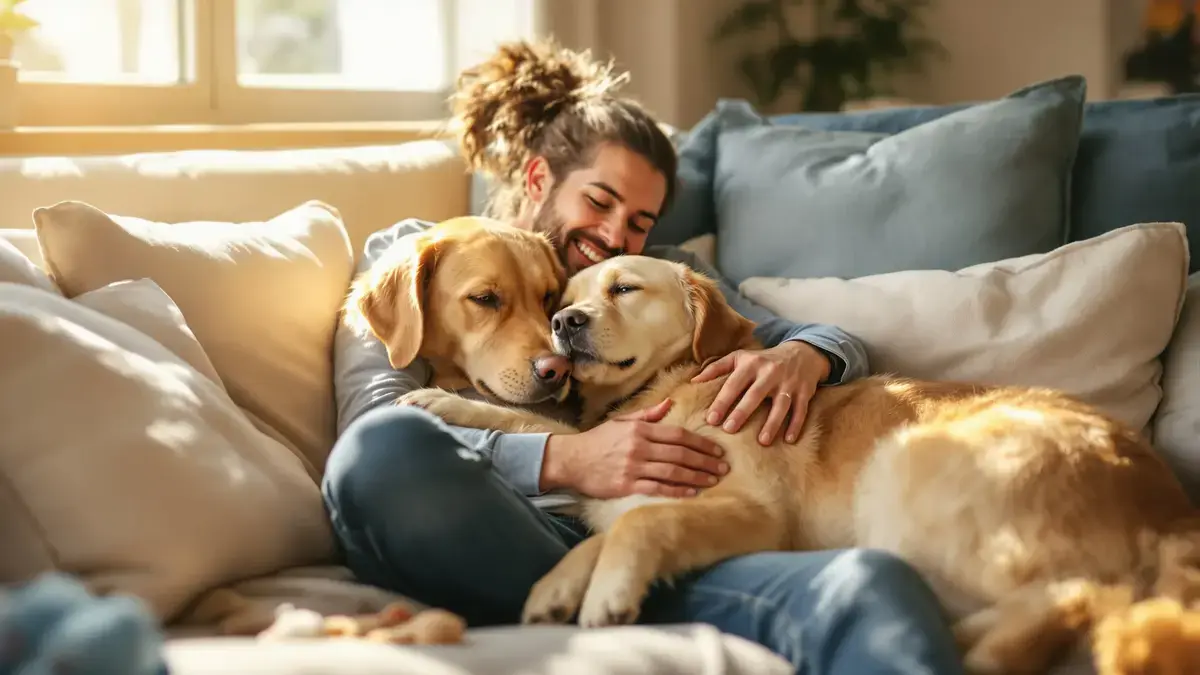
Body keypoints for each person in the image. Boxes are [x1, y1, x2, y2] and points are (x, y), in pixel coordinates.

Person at [324, 39, 965, 674]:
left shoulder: (659, 275)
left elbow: (818, 335)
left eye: (638, 221)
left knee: (865, 581)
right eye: (599, 202)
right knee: (379, 455)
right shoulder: (418, 255)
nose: (612, 237)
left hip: (636, 535)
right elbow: (372, 426)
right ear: (540, 178)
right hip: (483, 518)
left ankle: (609, 597)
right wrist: (568, 459)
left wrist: (801, 356)